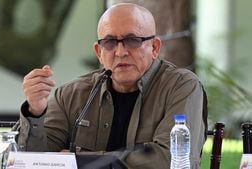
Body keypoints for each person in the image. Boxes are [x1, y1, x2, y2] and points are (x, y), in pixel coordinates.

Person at [14, 3, 207, 169]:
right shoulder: (72, 94)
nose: (120, 52)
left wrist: (81, 161)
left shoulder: (181, 86)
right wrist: (36, 112)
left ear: (155, 47)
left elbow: (169, 160)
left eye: (133, 40)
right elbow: (31, 161)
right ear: (99, 51)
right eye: (110, 42)